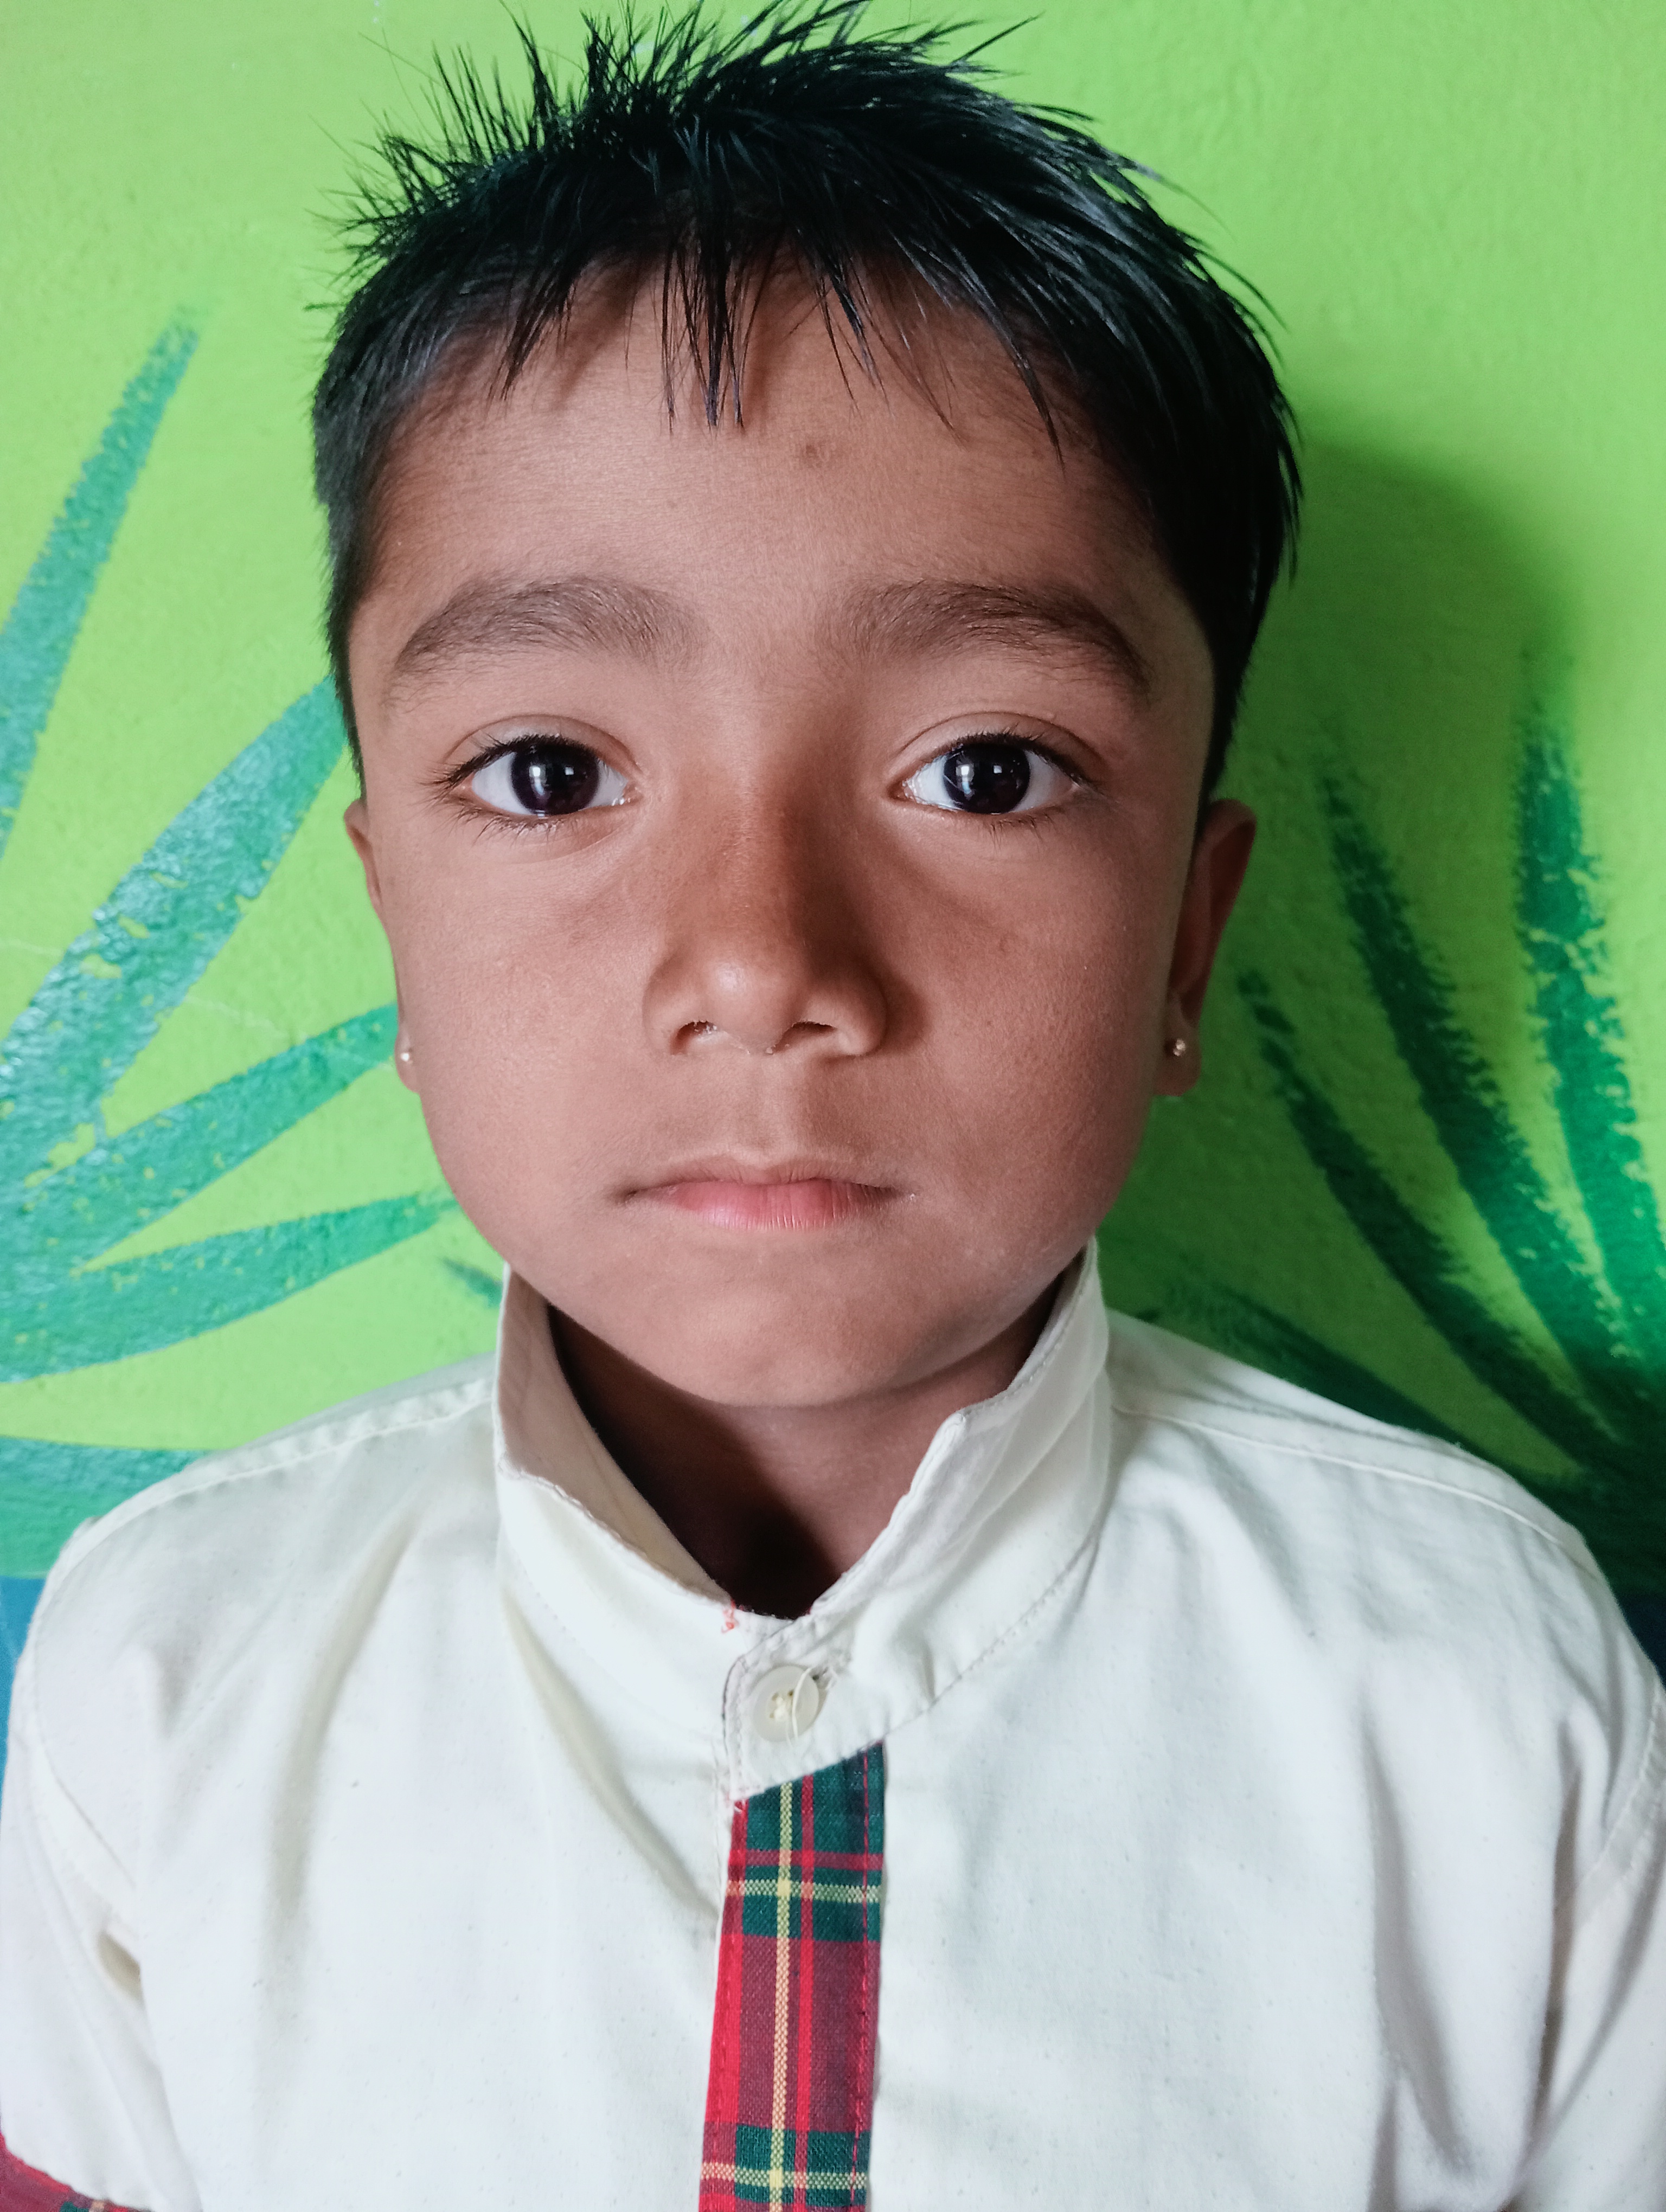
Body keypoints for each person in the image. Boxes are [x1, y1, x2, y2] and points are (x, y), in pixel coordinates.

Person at [2, 8, 1661, 2208]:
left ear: (1186, 941)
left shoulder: (1485, 1691)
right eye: (553, 772)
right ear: (394, 915)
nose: (764, 961)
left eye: (985, 770)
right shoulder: (169, 1671)